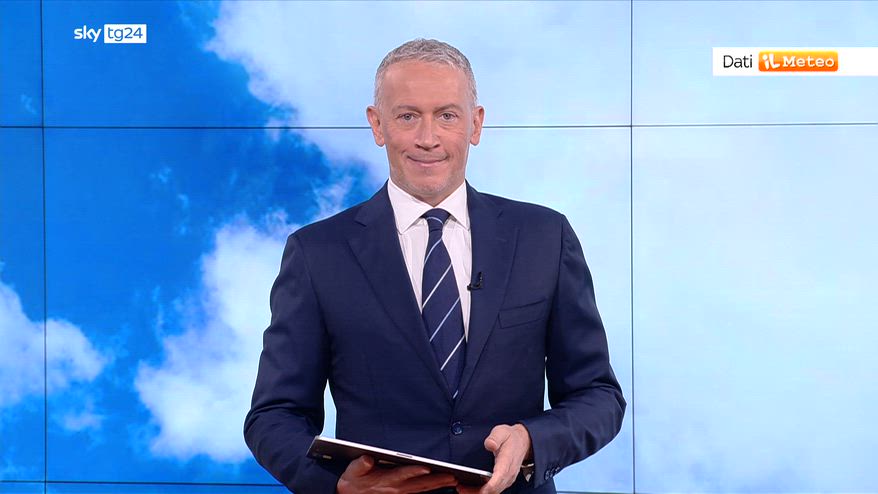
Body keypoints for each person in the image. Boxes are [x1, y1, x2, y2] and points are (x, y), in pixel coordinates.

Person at [244, 38, 625, 494]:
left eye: (447, 116)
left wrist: (531, 441)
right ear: (377, 124)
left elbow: (598, 396)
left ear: (475, 124)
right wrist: (337, 486)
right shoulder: (317, 253)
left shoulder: (544, 236)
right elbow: (274, 416)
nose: (428, 138)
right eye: (408, 117)